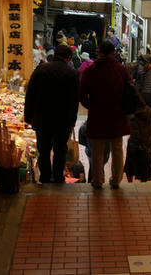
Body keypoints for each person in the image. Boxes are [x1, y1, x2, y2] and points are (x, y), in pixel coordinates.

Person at [79, 40, 130, 189]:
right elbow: (129, 90)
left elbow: (82, 95)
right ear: (113, 52)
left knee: (97, 149)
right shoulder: (121, 69)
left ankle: (98, 180)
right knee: (117, 149)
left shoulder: (91, 70)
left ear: (99, 52)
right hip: (117, 115)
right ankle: (116, 180)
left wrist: (93, 106)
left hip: (98, 115)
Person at [24, 44, 79, 183]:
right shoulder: (72, 73)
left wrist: (28, 116)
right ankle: (59, 177)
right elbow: (74, 100)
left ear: (54, 55)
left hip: (42, 119)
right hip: (63, 119)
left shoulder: (41, 69)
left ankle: (45, 177)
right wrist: (73, 119)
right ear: (69, 58)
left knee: (43, 150)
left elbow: (30, 94)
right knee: (60, 150)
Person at [124, 98, 151, 182]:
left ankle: (130, 182)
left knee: (130, 164)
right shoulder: (149, 110)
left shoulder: (129, 112)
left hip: (134, 141)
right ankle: (143, 183)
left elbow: (125, 126)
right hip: (147, 142)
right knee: (145, 165)